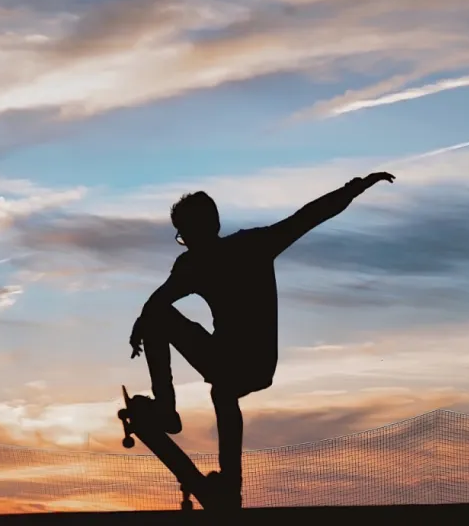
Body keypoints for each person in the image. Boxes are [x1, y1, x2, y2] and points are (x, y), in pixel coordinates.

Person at [129, 171, 395, 507]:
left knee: (217, 382)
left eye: (185, 236)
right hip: (253, 362)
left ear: (199, 230)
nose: (187, 243)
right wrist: (356, 188)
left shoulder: (207, 259)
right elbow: (308, 217)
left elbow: (156, 306)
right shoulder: (249, 246)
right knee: (222, 390)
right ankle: (228, 481)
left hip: (238, 361)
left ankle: (168, 410)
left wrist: (141, 328)